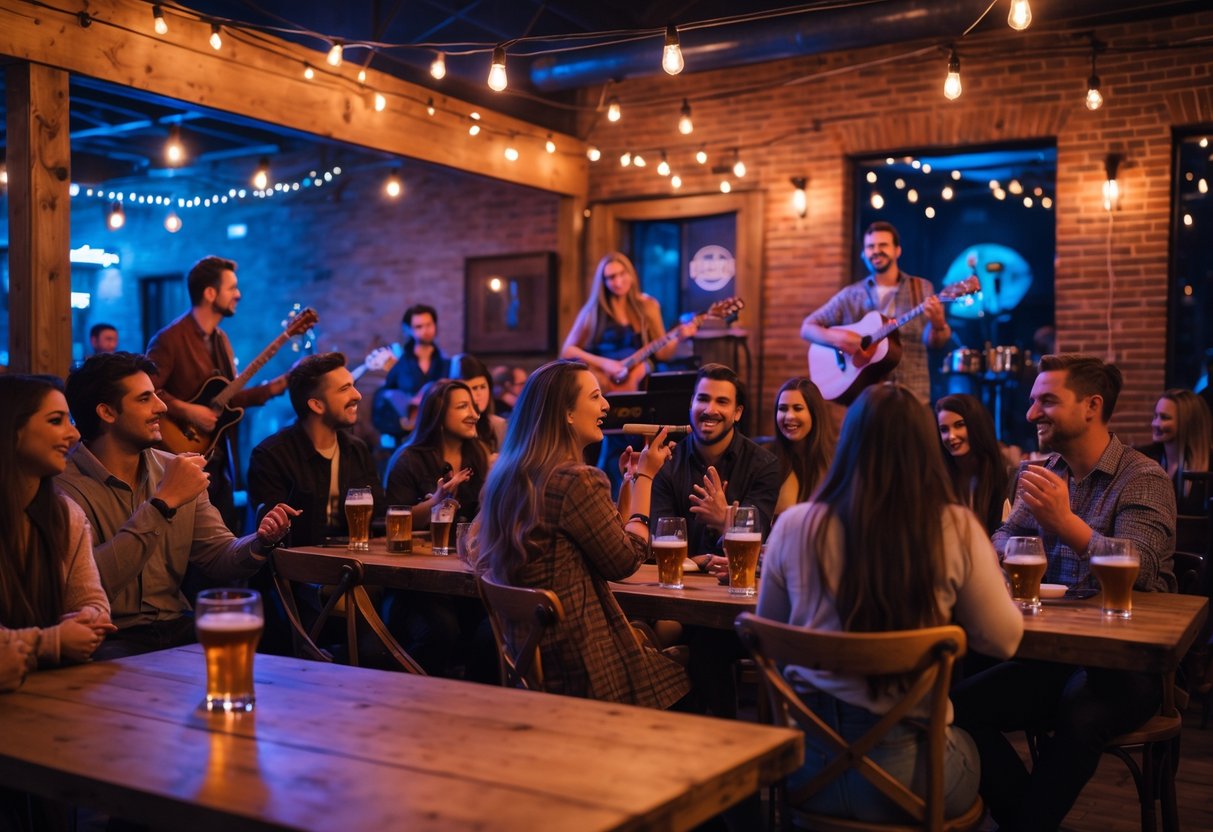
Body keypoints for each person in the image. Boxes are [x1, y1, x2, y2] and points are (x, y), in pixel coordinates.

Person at [757, 382, 1022, 823]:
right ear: (924, 449)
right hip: (912, 778)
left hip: (806, 770)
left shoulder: (794, 526)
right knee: (973, 747)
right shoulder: (954, 527)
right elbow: (1005, 641)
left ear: (849, 443)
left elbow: (771, 636)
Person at [952, 354, 1177, 832]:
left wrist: (1065, 523)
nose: (1032, 413)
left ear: (1092, 406)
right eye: (1034, 402)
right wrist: (1003, 546)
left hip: (1126, 663)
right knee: (954, 705)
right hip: (1052, 651)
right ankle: (1027, 823)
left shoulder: (1144, 478)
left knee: (1081, 713)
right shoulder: (1044, 471)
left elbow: (1142, 568)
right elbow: (1002, 536)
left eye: (1047, 401)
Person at [472, 359, 689, 708]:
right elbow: (625, 560)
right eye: (596, 396)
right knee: (701, 668)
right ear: (567, 414)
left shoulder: (509, 476)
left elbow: (602, 545)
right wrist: (648, 477)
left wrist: (629, 483)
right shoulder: (575, 479)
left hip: (536, 659)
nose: (606, 406)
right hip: (586, 669)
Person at [57, 352, 298, 659]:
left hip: (179, 627)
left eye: (157, 396)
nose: (163, 407)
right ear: (107, 412)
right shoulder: (63, 486)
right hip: (109, 638)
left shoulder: (175, 468)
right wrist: (161, 504)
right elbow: (88, 586)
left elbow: (218, 556)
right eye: (145, 399)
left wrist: (260, 542)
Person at [145, 256, 288, 532]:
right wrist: (187, 411)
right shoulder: (170, 339)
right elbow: (148, 391)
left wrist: (276, 387)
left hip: (217, 460)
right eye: (232, 288)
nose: (239, 294)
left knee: (221, 544)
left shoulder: (221, 340)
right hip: (180, 459)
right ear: (210, 293)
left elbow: (227, 401)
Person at [0, 375, 113, 677]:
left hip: (49, 686)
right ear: (11, 429)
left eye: (70, 420)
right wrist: (52, 641)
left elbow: (92, 600)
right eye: (55, 421)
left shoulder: (66, 514)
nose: (74, 434)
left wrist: (88, 619)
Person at [562, 253, 697, 493]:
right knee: (610, 442)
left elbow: (663, 353)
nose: (618, 281)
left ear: (631, 274)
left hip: (637, 387)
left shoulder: (647, 306)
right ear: (603, 282)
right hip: (605, 384)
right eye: (611, 277)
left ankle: (634, 489)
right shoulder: (594, 310)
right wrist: (606, 365)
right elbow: (568, 349)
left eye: (621, 274)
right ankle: (607, 490)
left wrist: (681, 336)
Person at [801, 221, 951, 403]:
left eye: (883, 245)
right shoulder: (851, 295)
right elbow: (807, 328)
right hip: (865, 400)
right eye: (870, 246)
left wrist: (938, 324)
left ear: (897, 251)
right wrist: (840, 340)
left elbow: (934, 343)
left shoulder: (921, 288)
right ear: (864, 254)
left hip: (912, 396)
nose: (876, 251)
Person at [247, 352, 384, 547]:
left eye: (353, 386)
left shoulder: (357, 450)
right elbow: (272, 539)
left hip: (351, 568)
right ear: (317, 405)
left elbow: (379, 517)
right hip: (298, 571)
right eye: (345, 389)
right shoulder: (271, 456)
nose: (357, 395)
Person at [651, 363, 782, 557]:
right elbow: (661, 538)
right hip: (679, 580)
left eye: (722, 402)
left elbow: (757, 536)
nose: (710, 409)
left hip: (737, 581)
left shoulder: (764, 465)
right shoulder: (666, 463)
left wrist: (723, 518)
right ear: (691, 404)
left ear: (737, 413)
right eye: (703, 399)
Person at [384, 379, 487, 527]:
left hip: (466, 549)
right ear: (438, 414)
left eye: (473, 406)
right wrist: (436, 501)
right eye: (463, 406)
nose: (475, 415)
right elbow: (394, 521)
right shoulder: (408, 460)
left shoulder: (479, 454)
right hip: (421, 548)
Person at [374, 304, 451, 442]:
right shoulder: (399, 364)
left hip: (439, 434)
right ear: (408, 329)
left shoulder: (446, 362)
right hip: (407, 437)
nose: (425, 330)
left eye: (429, 324)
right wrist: (401, 422)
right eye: (418, 327)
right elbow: (386, 397)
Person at [935, 393, 1008, 534]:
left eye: (959, 425)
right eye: (944, 430)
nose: (951, 436)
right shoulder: (939, 479)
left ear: (977, 426)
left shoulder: (1002, 476)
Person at [767, 377, 835, 517]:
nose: (789, 416)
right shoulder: (766, 458)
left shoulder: (836, 458)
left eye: (798, 408)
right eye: (783, 409)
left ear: (814, 414)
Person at [1139, 388, 1211, 512]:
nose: (1155, 423)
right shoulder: (1143, 457)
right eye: (1155, 416)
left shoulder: (1210, 465)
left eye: (1164, 418)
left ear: (1188, 423)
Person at [450, 353, 507, 457]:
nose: (479, 394)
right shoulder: (451, 427)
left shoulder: (498, 425)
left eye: (483, 387)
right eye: (473, 388)